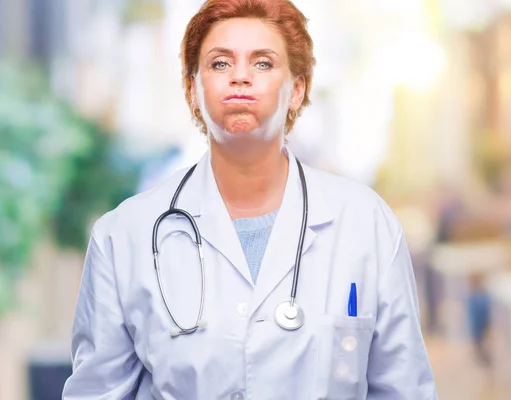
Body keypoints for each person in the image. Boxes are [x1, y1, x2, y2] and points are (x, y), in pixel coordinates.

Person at [62, 0, 437, 398]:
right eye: (220, 63)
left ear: (297, 89)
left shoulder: (366, 224)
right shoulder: (124, 237)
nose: (240, 77)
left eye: (263, 63)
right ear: (193, 89)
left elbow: (404, 389)